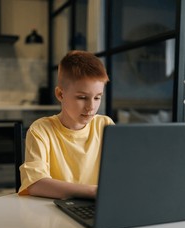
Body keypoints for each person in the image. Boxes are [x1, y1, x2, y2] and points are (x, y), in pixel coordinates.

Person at [18, 50, 114, 199]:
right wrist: (94, 192)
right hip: (52, 211)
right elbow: (35, 184)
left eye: (97, 97)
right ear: (60, 94)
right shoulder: (41, 130)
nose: (91, 107)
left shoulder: (106, 125)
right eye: (82, 97)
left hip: (98, 208)